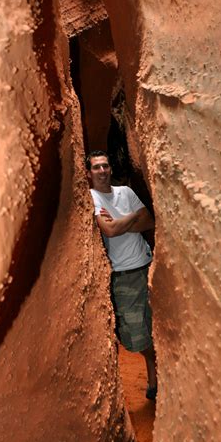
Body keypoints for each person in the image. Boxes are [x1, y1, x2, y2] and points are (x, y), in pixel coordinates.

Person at [86, 150, 157, 400]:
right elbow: (110, 230)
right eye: (96, 167)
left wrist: (119, 222)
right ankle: (156, 368)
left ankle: (154, 380)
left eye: (105, 166)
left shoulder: (125, 192)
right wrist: (131, 219)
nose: (102, 171)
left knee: (147, 328)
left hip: (144, 266)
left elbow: (148, 221)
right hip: (121, 274)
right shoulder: (92, 197)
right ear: (89, 172)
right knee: (131, 335)